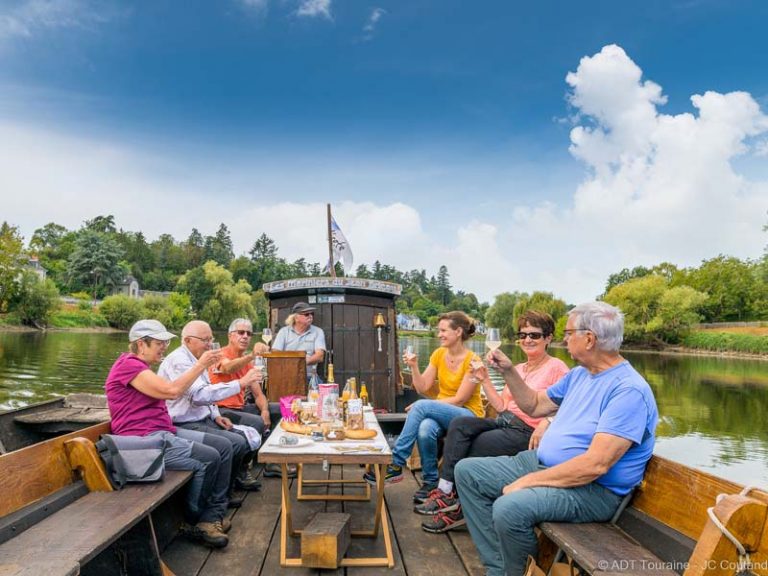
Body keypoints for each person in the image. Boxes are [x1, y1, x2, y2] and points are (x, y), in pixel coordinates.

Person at [455, 302, 659, 576]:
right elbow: (534, 406)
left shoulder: (628, 390)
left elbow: (594, 466)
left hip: (593, 489)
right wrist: (508, 371)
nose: (564, 338)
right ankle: (501, 569)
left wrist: (526, 482)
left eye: (569, 332)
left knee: (509, 508)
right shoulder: (579, 375)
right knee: (468, 472)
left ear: (589, 339)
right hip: (543, 464)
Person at [417, 310, 570, 534]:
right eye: (523, 334)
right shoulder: (517, 369)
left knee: (477, 444)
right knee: (460, 424)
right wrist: (485, 379)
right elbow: (500, 406)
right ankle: (446, 491)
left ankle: (456, 508)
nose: (527, 339)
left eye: (535, 335)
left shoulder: (558, 368)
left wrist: (547, 420)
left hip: (526, 432)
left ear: (548, 338)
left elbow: (570, 406)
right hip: (505, 421)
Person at [104, 319, 232, 548]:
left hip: (163, 433)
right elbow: (172, 391)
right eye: (159, 342)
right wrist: (201, 365)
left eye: (165, 342)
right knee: (209, 458)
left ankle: (212, 514)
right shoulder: (128, 365)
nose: (164, 346)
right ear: (141, 344)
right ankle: (196, 522)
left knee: (222, 447)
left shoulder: (140, 368)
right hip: (143, 442)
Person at [363, 311, 485, 503]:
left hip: (468, 416)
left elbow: (461, 399)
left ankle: (396, 462)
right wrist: (413, 367)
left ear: (458, 331)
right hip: (443, 411)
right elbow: (422, 387)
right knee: (424, 428)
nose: (439, 335)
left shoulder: (474, 361)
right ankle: (430, 482)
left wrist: (426, 405)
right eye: (439, 331)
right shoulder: (438, 354)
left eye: (444, 330)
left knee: (421, 407)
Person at [160, 320, 264, 495]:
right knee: (230, 444)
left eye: (211, 339)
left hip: (205, 417)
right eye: (205, 340)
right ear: (187, 341)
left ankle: (227, 490)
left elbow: (205, 390)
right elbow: (200, 395)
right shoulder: (180, 361)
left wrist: (215, 415)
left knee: (242, 439)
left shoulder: (199, 358)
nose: (209, 344)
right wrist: (241, 382)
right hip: (182, 423)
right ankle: (217, 502)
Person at [209, 317, 271, 430]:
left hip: (240, 408)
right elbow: (228, 368)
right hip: (220, 410)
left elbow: (258, 395)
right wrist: (252, 355)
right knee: (258, 422)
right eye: (241, 332)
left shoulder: (246, 362)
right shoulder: (218, 354)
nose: (245, 336)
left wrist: (265, 411)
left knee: (279, 408)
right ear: (230, 336)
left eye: (249, 333)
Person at [271, 302, 326, 379]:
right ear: (296, 318)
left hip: (309, 376)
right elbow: (275, 353)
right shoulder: (284, 332)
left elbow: (320, 356)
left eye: (311, 314)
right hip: (287, 375)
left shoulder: (318, 332)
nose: (310, 316)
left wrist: (305, 362)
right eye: (306, 314)